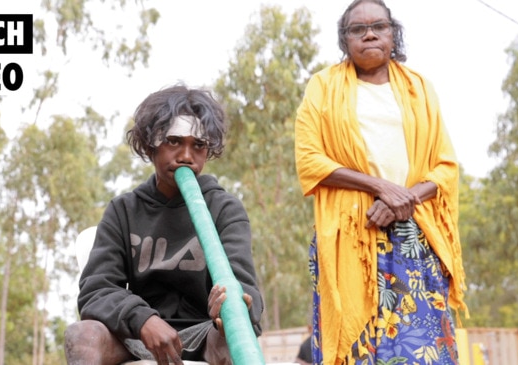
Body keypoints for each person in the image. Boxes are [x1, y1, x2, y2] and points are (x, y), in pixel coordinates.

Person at [294, 0, 468, 364]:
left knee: (422, 347)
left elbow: (446, 167)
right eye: (357, 29)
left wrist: (401, 200)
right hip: (350, 237)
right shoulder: (322, 87)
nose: (369, 33)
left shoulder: (419, 88)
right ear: (345, 40)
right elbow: (310, 159)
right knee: (357, 347)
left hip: (413, 237)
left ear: (393, 33)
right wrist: (379, 187)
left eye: (379, 26)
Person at [64, 84, 264, 365]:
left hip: (206, 334)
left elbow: (246, 288)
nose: (186, 156)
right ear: (151, 145)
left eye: (198, 145)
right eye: (173, 141)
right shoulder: (123, 210)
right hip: (138, 335)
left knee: (234, 340)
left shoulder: (225, 209)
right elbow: (95, 291)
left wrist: (233, 308)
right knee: (82, 335)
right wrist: (143, 319)